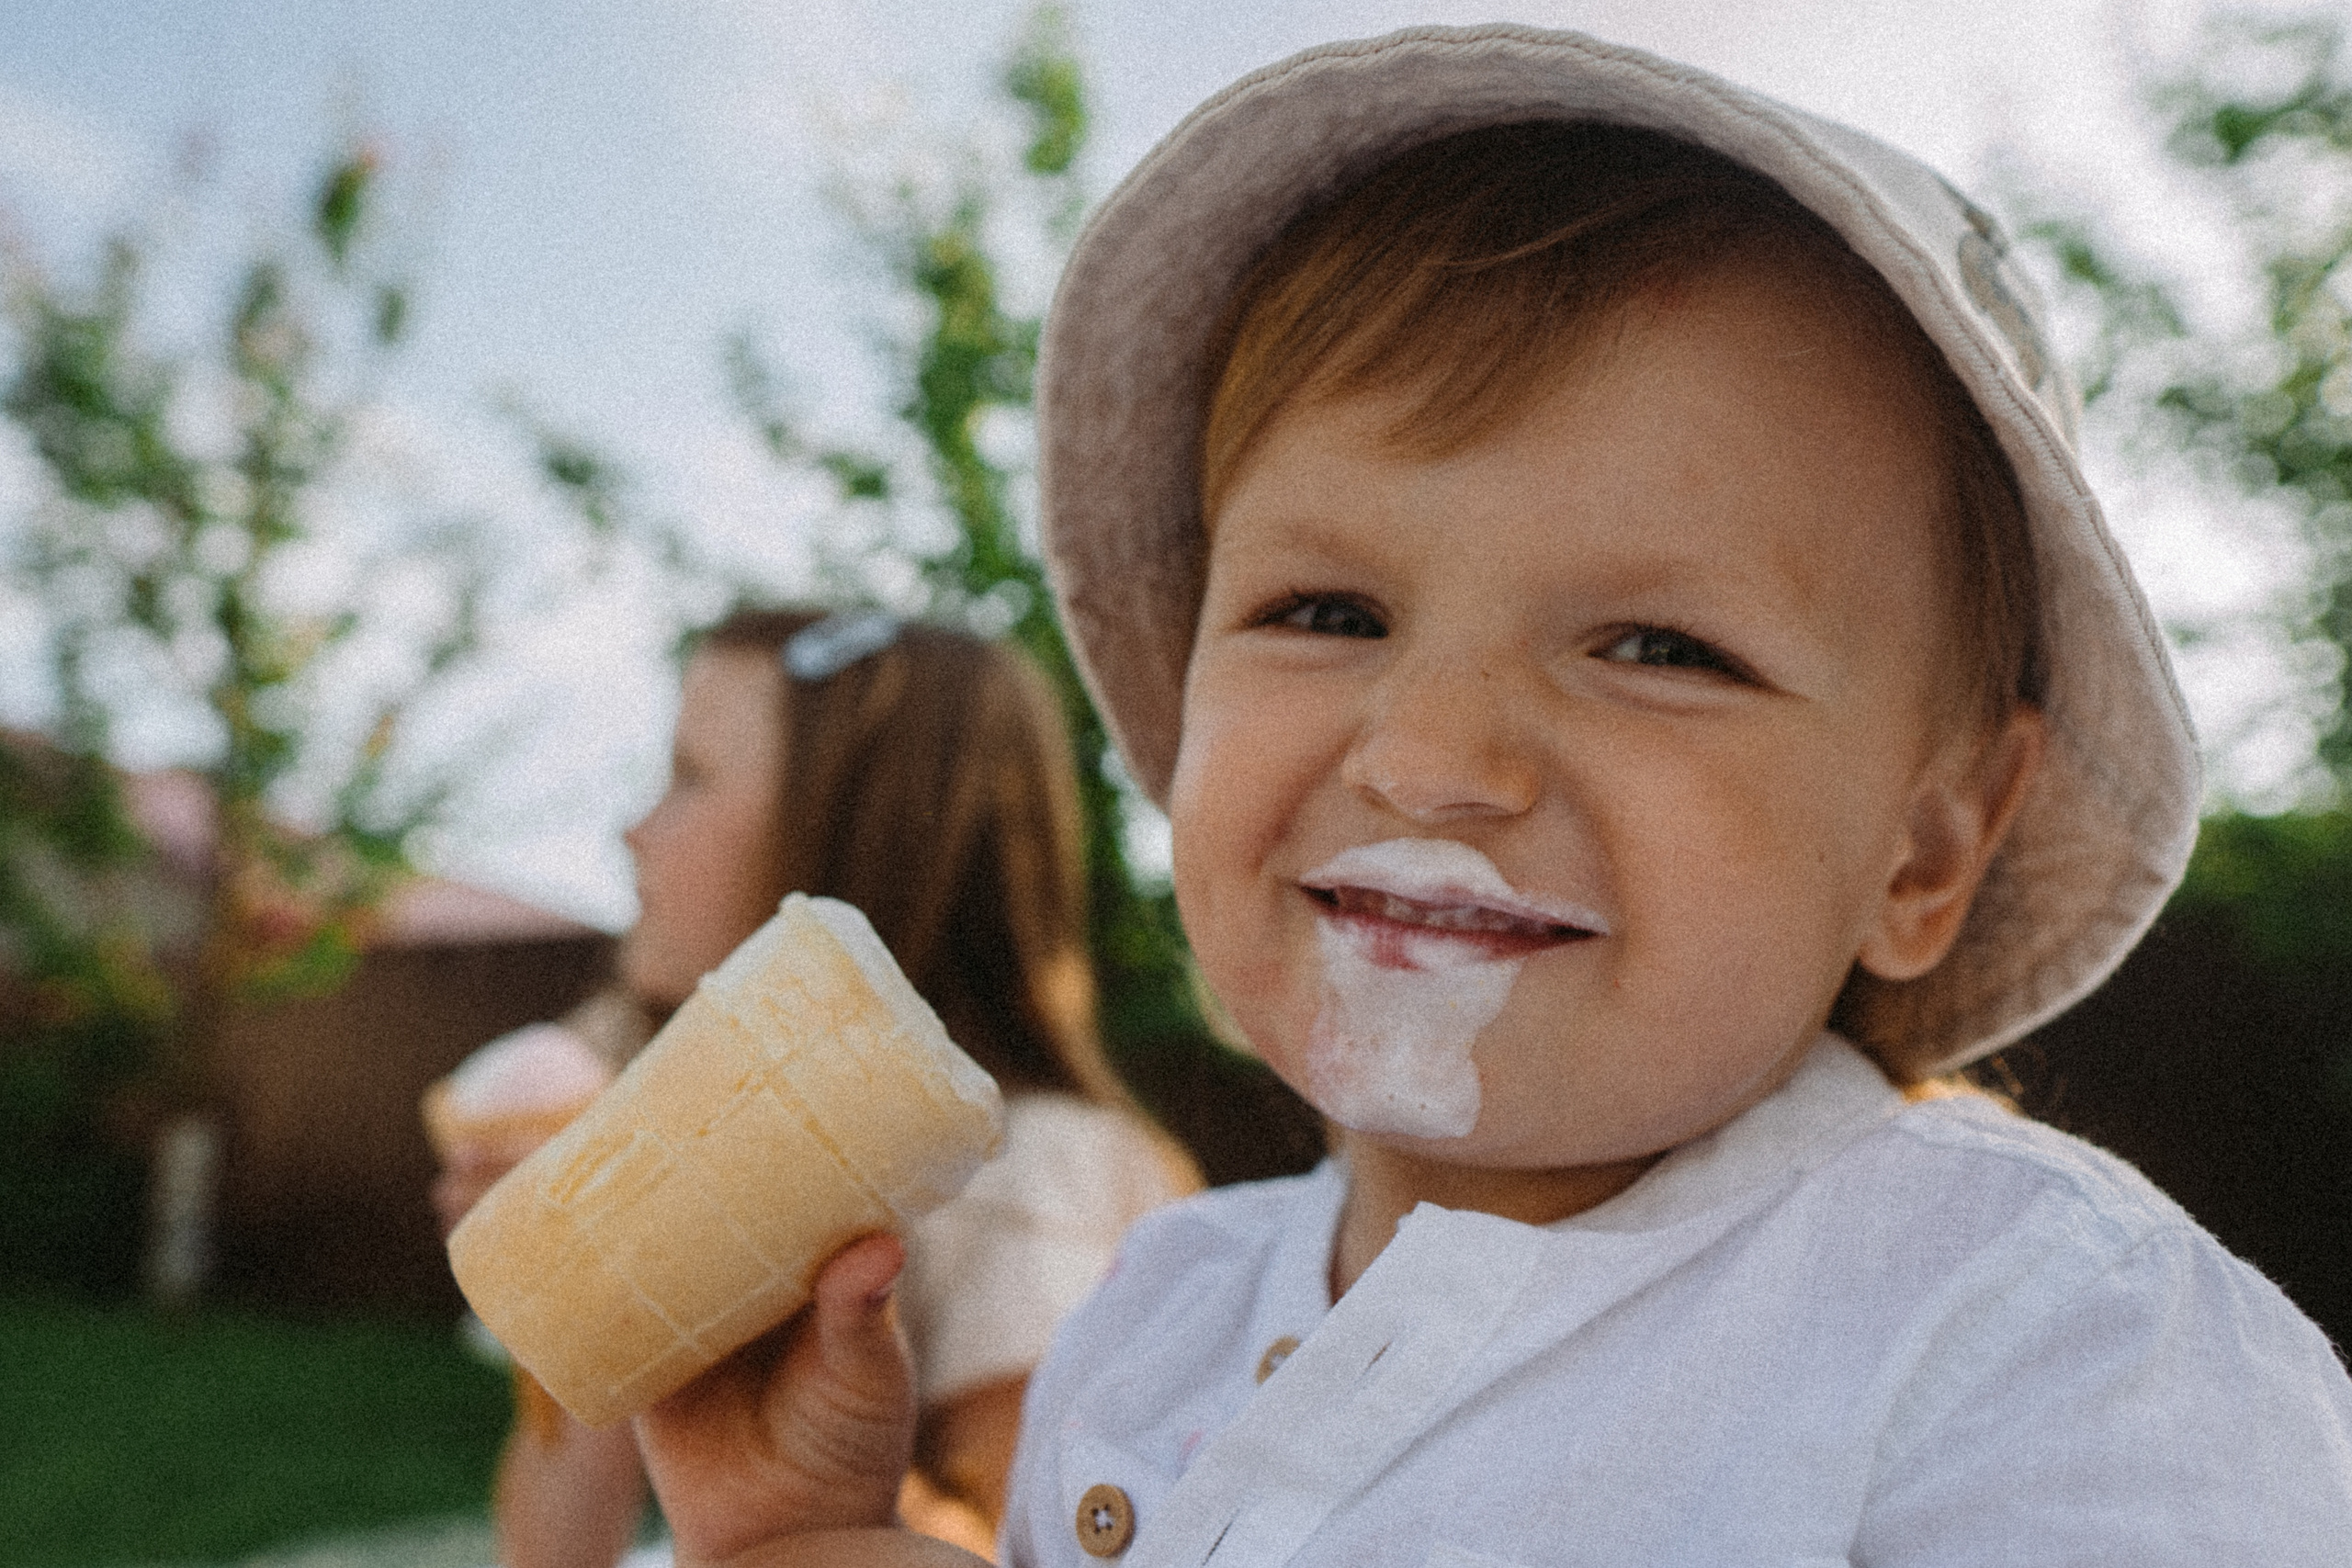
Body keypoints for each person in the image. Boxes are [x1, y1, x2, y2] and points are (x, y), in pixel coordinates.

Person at [625, 27, 2352, 1568]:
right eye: (1327, 611)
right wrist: (811, 1541)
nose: (1433, 754)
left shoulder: (2051, 1343)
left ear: (1927, 843)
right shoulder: (1158, 1313)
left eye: (1661, 644)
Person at [431, 607, 1198, 1567]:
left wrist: (809, 1507)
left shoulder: (1037, 1175)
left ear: (852, 833)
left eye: (690, 776)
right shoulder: (693, 1129)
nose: (633, 830)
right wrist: (595, 1310)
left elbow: (1037, 1547)